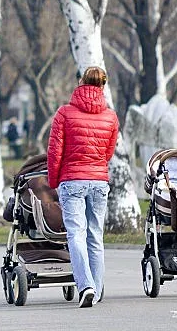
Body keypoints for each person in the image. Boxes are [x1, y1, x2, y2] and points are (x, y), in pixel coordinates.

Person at [47, 66, 119, 308]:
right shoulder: (111, 116)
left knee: (75, 234)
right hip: (99, 181)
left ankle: (86, 286)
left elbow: (55, 151)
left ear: (81, 83)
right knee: (95, 236)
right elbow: (108, 153)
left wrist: (54, 181)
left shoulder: (64, 113)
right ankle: (96, 291)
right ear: (102, 86)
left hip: (73, 181)